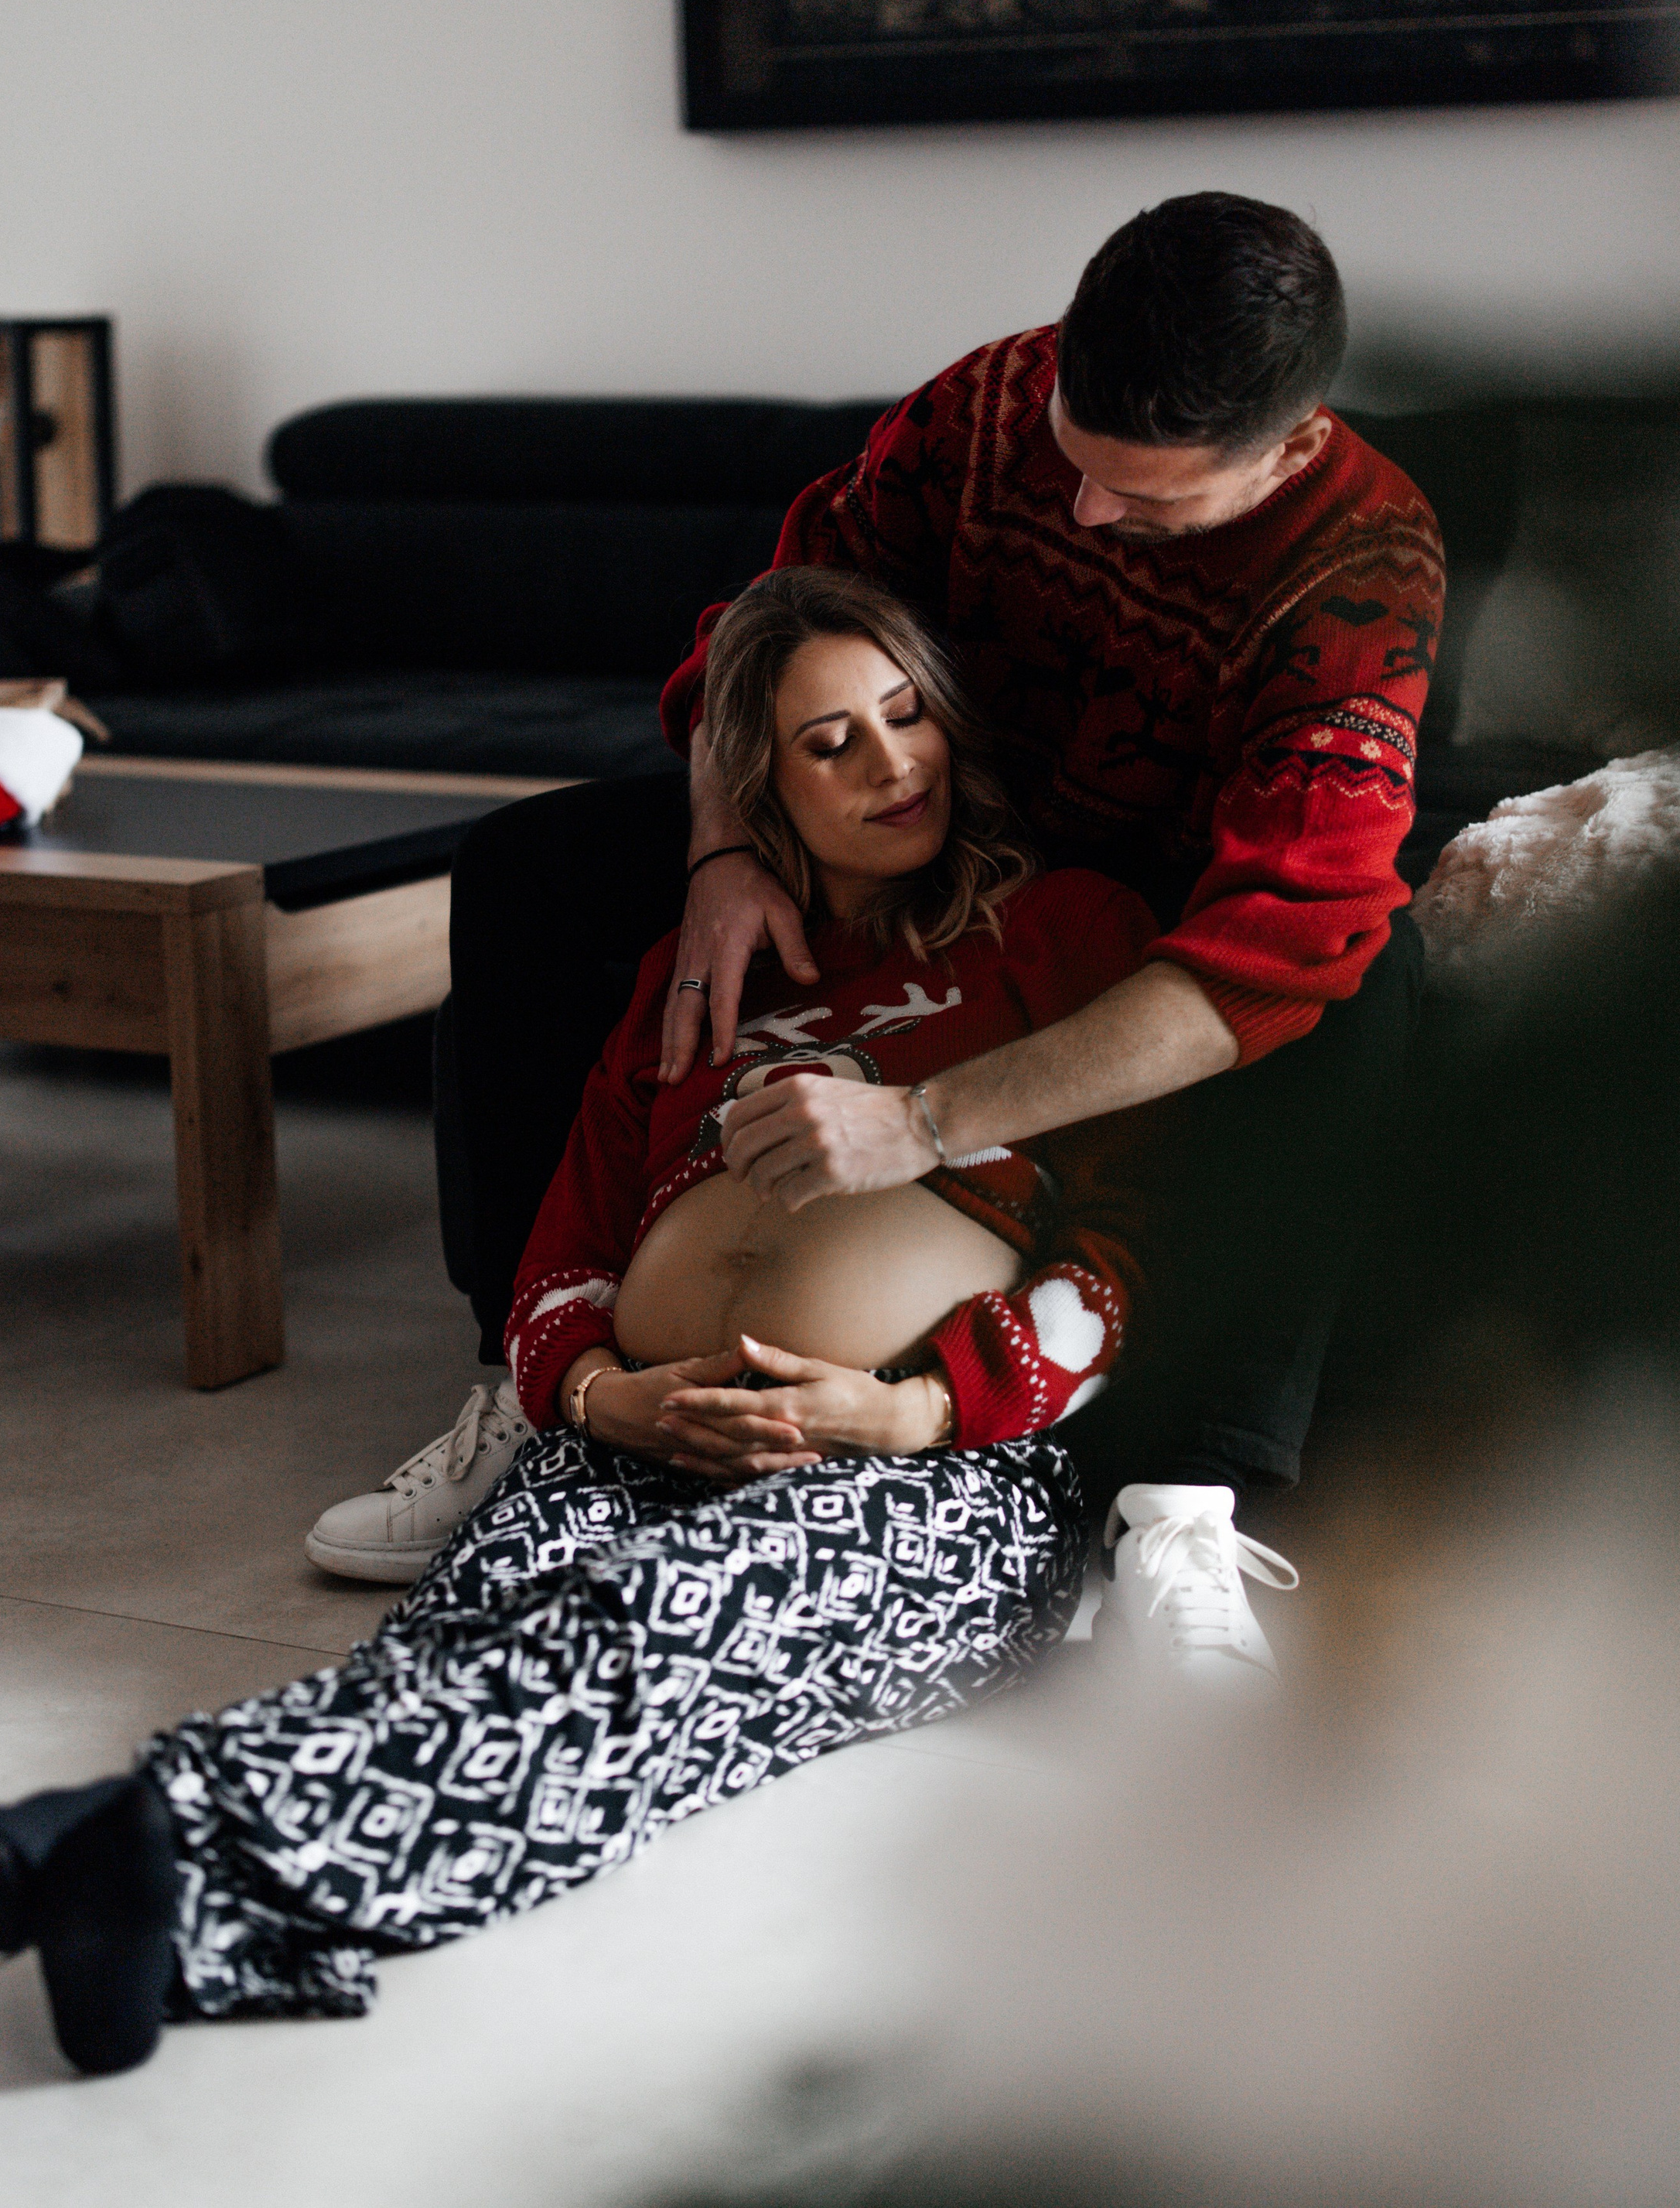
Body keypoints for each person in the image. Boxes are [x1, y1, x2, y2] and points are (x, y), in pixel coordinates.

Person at [0, 573, 1296, 2079]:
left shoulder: (1061, 931)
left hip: (933, 1473)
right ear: (762, 787)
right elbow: (563, 1259)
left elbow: (1138, 1253)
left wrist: (912, 1411)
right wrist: (601, 1399)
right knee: (469, 1648)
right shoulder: (696, 971)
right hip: (636, 1433)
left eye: (906, 716)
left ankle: (162, 1821)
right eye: (829, 741)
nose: (888, 762)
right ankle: (168, 1924)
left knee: (631, 1651)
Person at [315, 191, 1438, 1665]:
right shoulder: (982, 410)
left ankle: (1183, 1494)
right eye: (1076, 462)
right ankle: (534, 1380)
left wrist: (922, 1119)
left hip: (1152, 879)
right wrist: (725, 850)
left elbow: (1279, 940)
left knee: (1368, 978)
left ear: (1287, 448)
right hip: (914, 800)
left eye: (1147, 501)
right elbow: (771, 623)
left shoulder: (1364, 569)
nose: (1090, 511)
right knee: (526, 867)